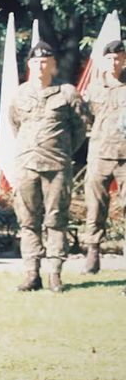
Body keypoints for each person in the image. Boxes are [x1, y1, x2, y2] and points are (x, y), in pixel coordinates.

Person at [10, 41, 88, 293]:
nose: (40, 66)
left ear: (53, 64)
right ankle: (32, 273)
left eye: (45, 62)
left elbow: (80, 128)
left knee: (56, 220)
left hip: (56, 165)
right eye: (36, 62)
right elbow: (15, 125)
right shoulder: (20, 94)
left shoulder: (67, 93)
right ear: (29, 65)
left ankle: (55, 274)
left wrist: (61, 150)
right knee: (28, 221)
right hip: (27, 165)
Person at [81, 39, 126, 275]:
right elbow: (84, 120)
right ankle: (93, 253)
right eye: (109, 59)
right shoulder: (94, 89)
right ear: (104, 61)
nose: (114, 62)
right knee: (95, 206)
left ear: (124, 59)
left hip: (125, 156)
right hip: (100, 155)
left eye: (118, 58)